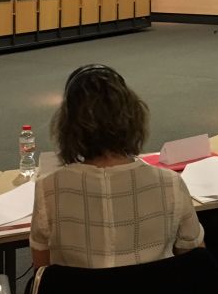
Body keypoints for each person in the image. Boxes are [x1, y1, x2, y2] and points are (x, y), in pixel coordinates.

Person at [30, 64, 204, 269]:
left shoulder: (48, 189)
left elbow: (42, 270)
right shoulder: (170, 184)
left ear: (67, 126)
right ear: (133, 118)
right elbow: (196, 261)